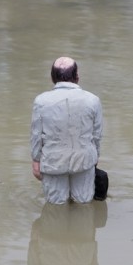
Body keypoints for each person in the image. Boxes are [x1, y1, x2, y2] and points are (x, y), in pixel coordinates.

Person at [30, 57, 103, 204]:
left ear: (52, 77)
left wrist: (36, 160)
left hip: (53, 162)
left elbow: (37, 135)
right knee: (84, 206)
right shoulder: (93, 100)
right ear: (77, 77)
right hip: (84, 160)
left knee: (56, 208)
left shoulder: (41, 101)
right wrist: (95, 158)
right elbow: (97, 135)